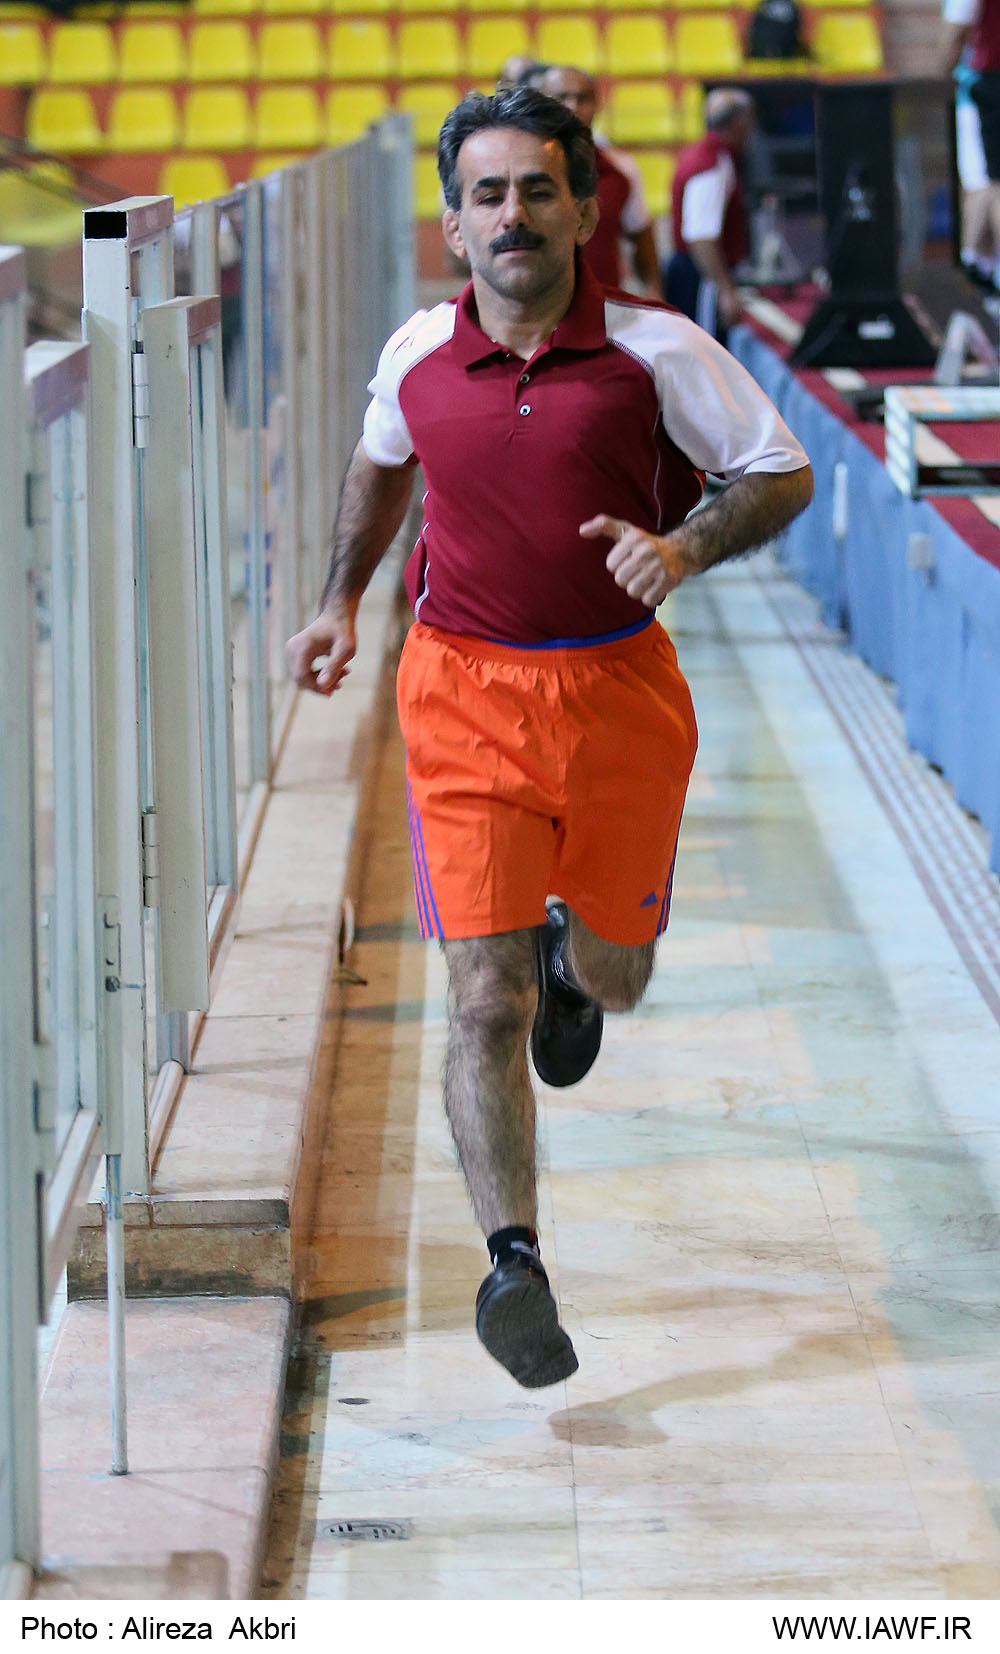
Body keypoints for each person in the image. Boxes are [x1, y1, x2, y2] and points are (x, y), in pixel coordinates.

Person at [286, 87, 813, 1390]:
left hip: (618, 694)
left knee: (617, 977)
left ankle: (579, 970)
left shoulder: (655, 349)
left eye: (536, 189)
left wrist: (680, 547)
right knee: (481, 996)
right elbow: (382, 459)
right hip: (461, 694)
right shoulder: (418, 351)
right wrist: (339, 600)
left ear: (584, 209)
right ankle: (511, 1262)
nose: (511, 214)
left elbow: (780, 469)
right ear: (454, 224)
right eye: (488, 194)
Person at [542, 63, 662, 297]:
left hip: (603, 306)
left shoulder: (621, 169)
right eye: (561, 97)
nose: (573, 106)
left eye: (583, 98)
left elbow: (642, 239)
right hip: (537, 310)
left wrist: (654, 290)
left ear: (598, 104)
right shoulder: (521, 169)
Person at [663, 86, 756, 341]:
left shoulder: (701, 154)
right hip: (701, 277)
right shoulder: (712, 163)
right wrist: (725, 289)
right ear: (738, 122)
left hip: (695, 272)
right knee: (706, 349)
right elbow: (701, 237)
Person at [943, 0, 1000, 289]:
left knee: (990, 183)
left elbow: (955, 31)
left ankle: (974, 261)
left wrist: (940, 74)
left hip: (989, 80)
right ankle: (979, 262)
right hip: (987, 82)